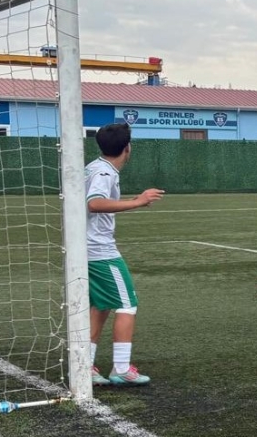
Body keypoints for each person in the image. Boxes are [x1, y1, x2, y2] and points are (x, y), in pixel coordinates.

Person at [86, 123, 164, 386]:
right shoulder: (104, 173)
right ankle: (120, 368)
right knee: (127, 303)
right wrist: (137, 202)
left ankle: (85, 365)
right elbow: (94, 203)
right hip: (99, 251)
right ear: (127, 148)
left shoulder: (95, 167)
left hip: (86, 248)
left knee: (101, 306)